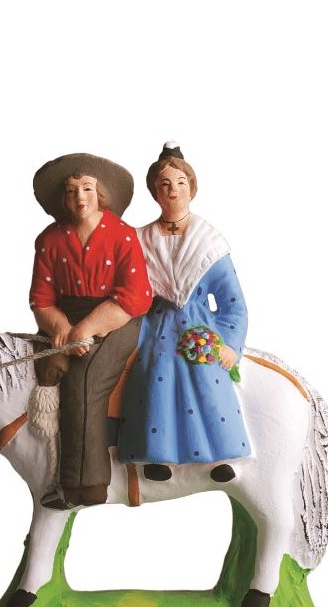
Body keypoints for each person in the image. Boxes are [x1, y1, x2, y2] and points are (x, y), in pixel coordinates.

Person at [118, 142, 249, 481]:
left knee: (207, 375)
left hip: (198, 326)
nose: (173, 190)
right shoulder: (140, 240)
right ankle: (158, 454)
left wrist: (230, 344)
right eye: (164, 184)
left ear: (191, 188)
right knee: (154, 373)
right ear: (154, 193)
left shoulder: (209, 242)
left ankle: (219, 456)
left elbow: (233, 303)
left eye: (180, 182)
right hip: (155, 327)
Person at [29, 153, 152, 508]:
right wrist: (61, 327)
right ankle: (37, 463)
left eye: (86, 188)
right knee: (41, 368)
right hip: (66, 320)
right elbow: (41, 299)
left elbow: (135, 295)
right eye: (71, 191)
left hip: (118, 317)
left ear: (100, 194)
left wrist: (86, 329)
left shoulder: (122, 235)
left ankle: (86, 485)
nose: (79, 197)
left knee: (86, 378)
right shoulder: (49, 239)